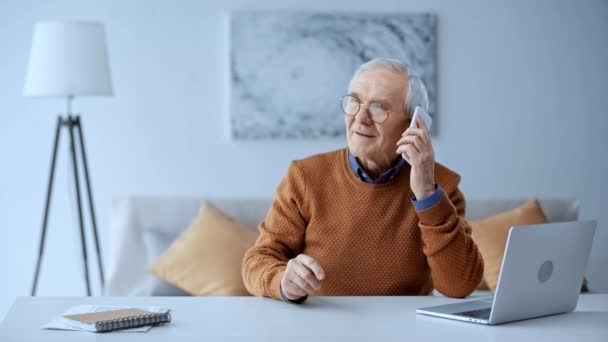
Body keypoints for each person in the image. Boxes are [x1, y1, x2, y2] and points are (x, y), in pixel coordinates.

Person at [242, 58, 484, 303]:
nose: (360, 118)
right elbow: (258, 261)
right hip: (322, 326)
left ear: (414, 124)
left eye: (379, 107)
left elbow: (459, 285)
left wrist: (426, 195)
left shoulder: (441, 186)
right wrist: (283, 281)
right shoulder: (305, 176)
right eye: (355, 101)